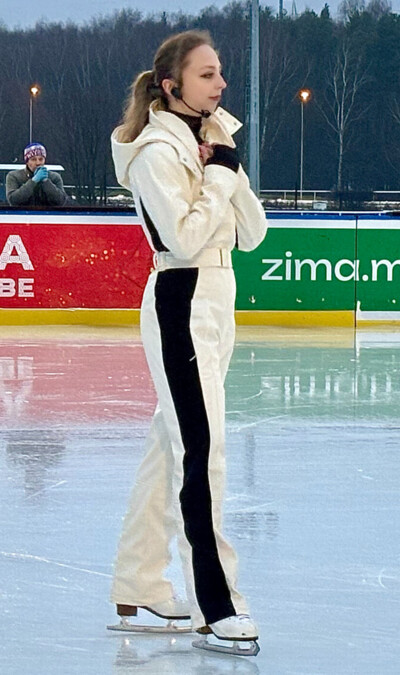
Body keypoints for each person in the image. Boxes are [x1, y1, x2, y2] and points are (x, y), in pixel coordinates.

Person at [106, 29, 267, 657]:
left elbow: (252, 233)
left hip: (218, 299)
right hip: (181, 299)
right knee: (204, 449)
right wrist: (217, 178)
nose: (221, 83)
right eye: (207, 75)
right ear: (172, 85)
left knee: (170, 443)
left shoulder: (207, 146)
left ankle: (138, 581)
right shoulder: (154, 153)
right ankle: (215, 600)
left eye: (220, 73)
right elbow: (179, 240)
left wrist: (225, 162)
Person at [5, 142, 69, 206]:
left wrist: (46, 182)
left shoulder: (54, 177)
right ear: (27, 162)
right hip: (23, 215)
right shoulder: (14, 176)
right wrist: (33, 182)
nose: (38, 163)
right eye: (33, 159)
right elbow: (13, 200)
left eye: (41, 159)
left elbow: (61, 201)